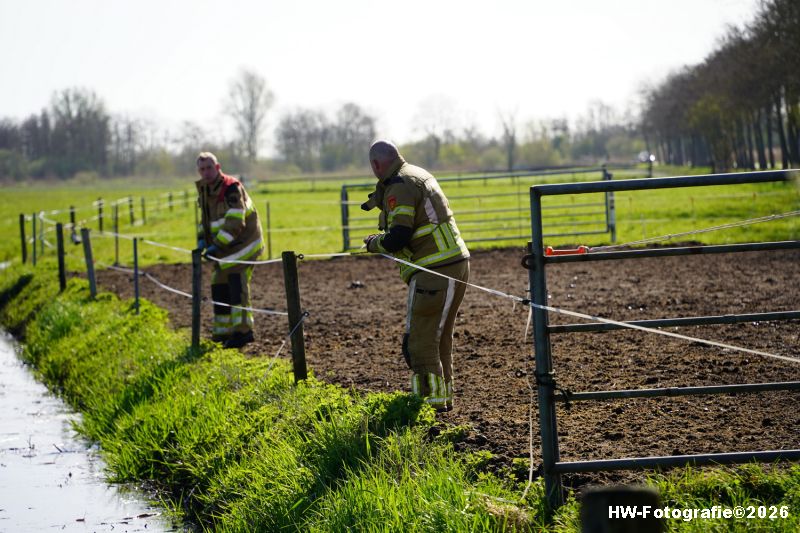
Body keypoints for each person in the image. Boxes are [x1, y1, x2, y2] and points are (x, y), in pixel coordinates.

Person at [363, 140, 470, 411]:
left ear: (376, 164)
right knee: (439, 337)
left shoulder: (400, 184)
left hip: (433, 270)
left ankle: (427, 408)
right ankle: (443, 399)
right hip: (454, 264)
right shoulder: (417, 173)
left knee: (420, 342)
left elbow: (399, 235)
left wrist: (374, 243)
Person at [195, 152, 264, 348]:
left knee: (237, 286)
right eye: (202, 169)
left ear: (218, 167)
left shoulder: (231, 188)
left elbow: (235, 221)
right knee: (219, 286)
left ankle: (243, 333)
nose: (206, 172)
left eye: (209, 168)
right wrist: (201, 241)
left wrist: (215, 245)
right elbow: (205, 222)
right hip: (225, 249)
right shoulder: (205, 191)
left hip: (244, 245)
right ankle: (223, 333)